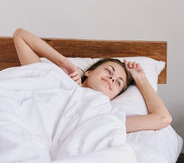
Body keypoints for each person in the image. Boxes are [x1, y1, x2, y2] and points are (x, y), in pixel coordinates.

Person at [13, 28, 172, 133]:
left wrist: (141, 79)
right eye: (109, 71)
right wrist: (64, 63)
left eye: (118, 82)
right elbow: (20, 36)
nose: (112, 78)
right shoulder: (55, 79)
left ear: (114, 97)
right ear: (88, 72)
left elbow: (163, 118)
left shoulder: (106, 115)